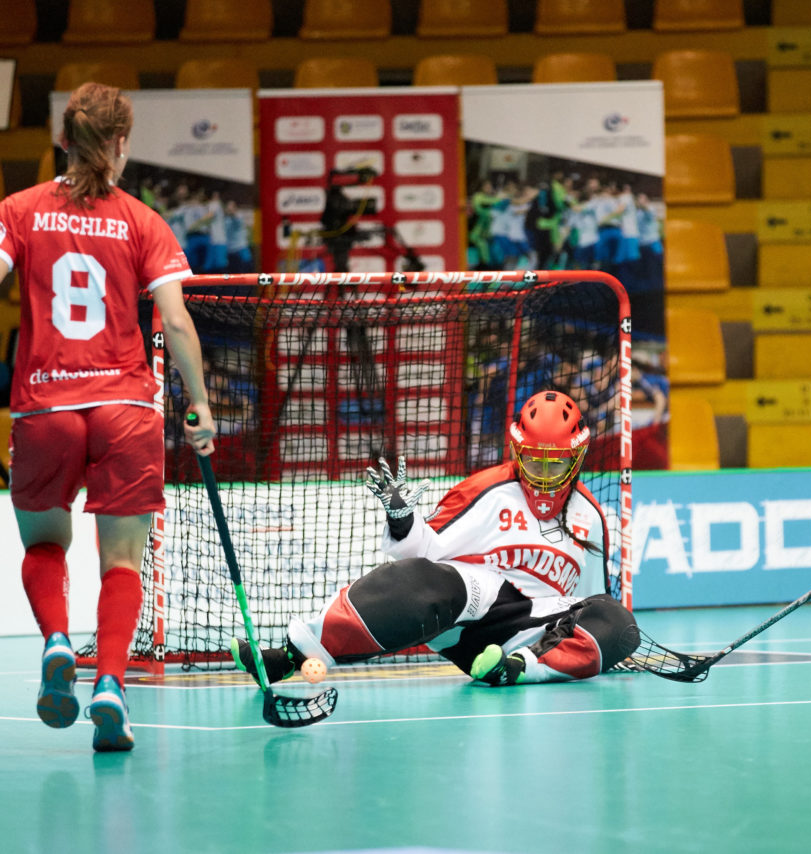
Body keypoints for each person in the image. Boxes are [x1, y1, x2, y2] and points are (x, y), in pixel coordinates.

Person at [0, 82, 217, 751]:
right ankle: (111, 684)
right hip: (125, 406)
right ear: (122, 144)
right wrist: (201, 404)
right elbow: (176, 320)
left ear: (62, 141)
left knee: (43, 545)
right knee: (123, 562)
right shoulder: (143, 221)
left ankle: (59, 640)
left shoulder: (19, 210)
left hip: (45, 406)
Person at [232, 390, 638, 688]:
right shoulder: (486, 491)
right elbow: (422, 556)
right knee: (421, 580)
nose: (545, 474)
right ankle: (289, 656)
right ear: (517, 450)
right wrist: (403, 521)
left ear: (577, 457)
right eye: (534, 460)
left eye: (557, 463)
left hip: (531, 632)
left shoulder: (593, 518)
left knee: (618, 621)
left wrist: (603, 641)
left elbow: (592, 602)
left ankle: (517, 669)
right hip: (477, 607)